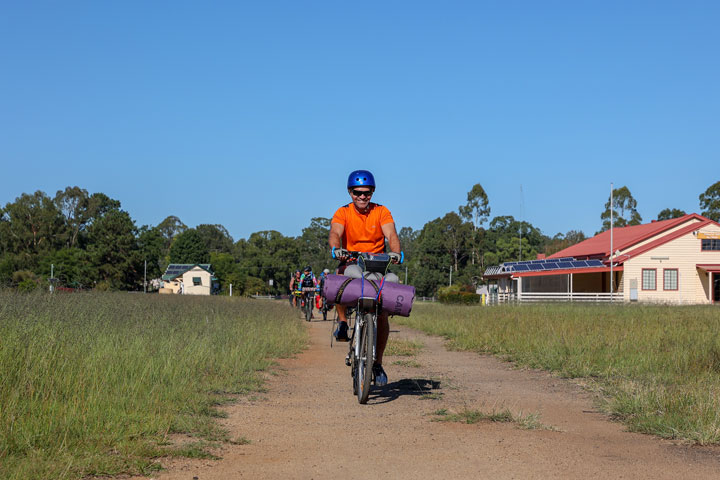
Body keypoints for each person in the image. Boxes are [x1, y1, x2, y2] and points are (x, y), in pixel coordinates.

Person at [328, 169, 401, 386]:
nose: (362, 197)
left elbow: (391, 235)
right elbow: (335, 233)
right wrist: (336, 249)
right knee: (341, 278)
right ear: (350, 192)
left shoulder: (381, 211)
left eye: (366, 193)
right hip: (352, 261)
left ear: (372, 192)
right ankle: (343, 322)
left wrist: (395, 252)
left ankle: (377, 363)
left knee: (384, 309)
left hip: (377, 263)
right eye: (358, 192)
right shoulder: (343, 212)